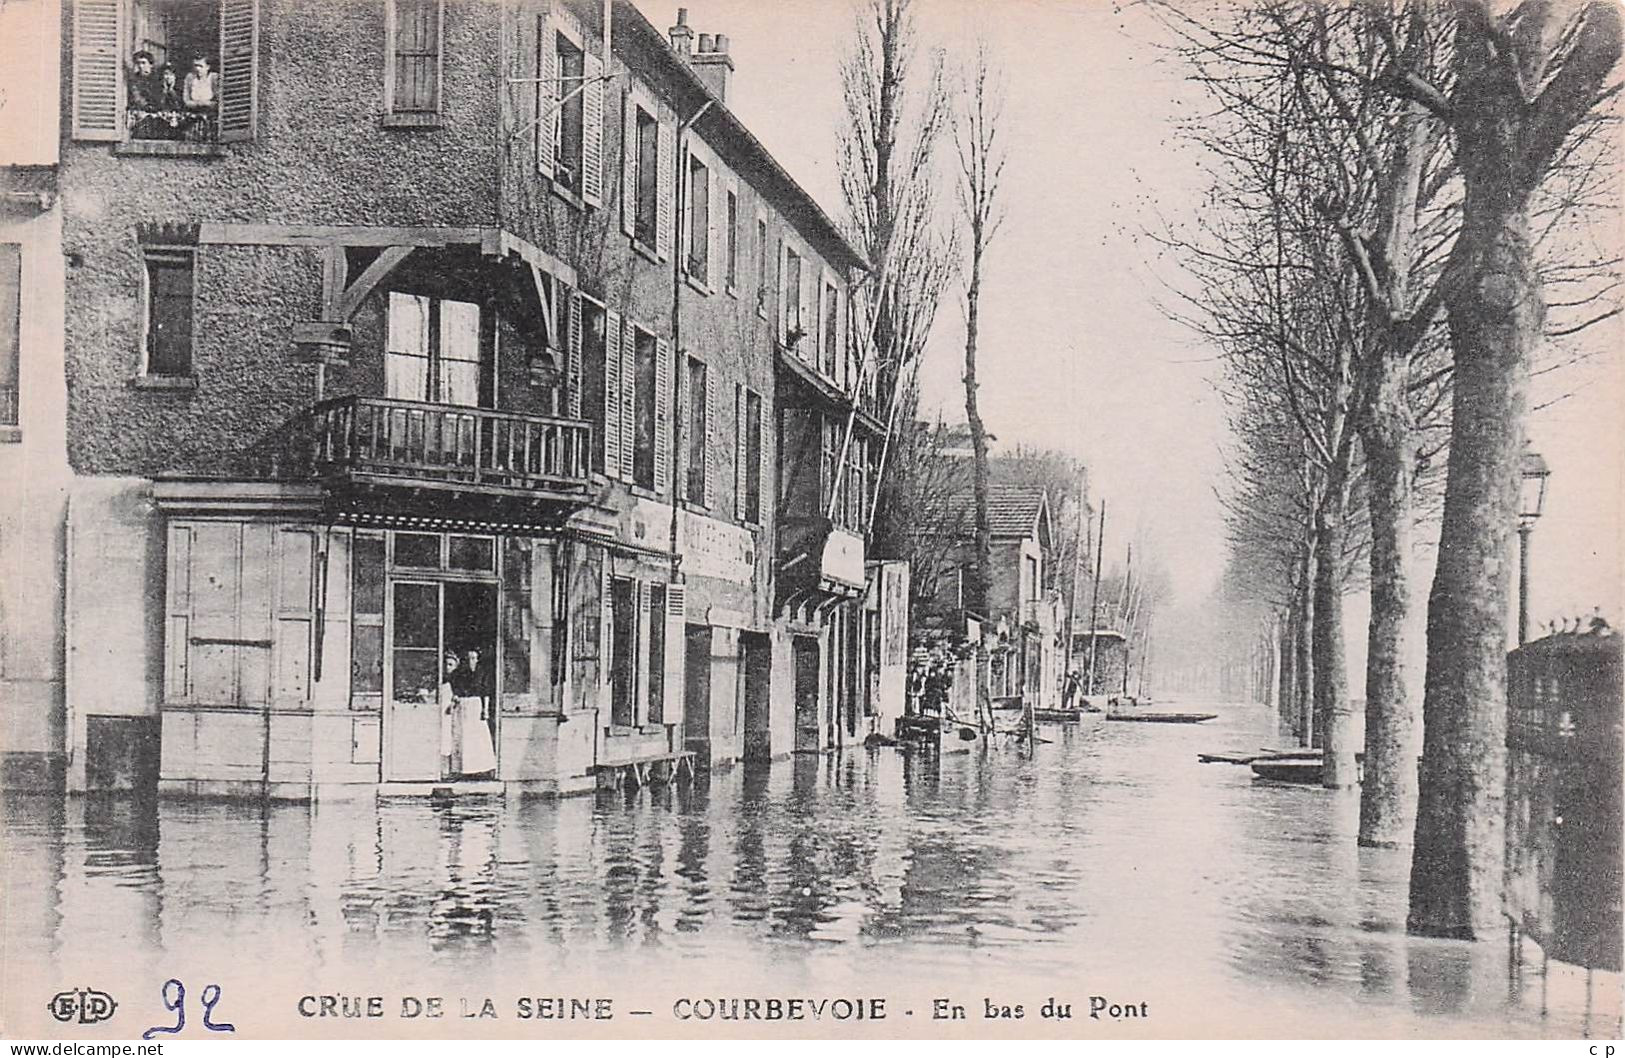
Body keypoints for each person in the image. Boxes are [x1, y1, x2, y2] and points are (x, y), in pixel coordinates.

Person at [451, 647, 497, 777]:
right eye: (468, 658)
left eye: (473, 658)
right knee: (464, 737)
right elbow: (455, 689)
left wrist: (485, 710)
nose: (471, 661)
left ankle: (482, 768)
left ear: (477, 659)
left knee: (478, 737)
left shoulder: (482, 673)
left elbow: (486, 692)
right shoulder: (460, 673)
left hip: (476, 705)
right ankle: (463, 769)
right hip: (463, 705)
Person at [437, 650, 461, 779]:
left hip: (450, 713)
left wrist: (453, 704)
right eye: (446, 664)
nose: (447, 667)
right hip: (440, 712)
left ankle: (449, 770)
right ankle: (440, 769)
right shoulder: (440, 680)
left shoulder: (457, 681)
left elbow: (458, 696)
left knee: (449, 739)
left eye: (451, 665)